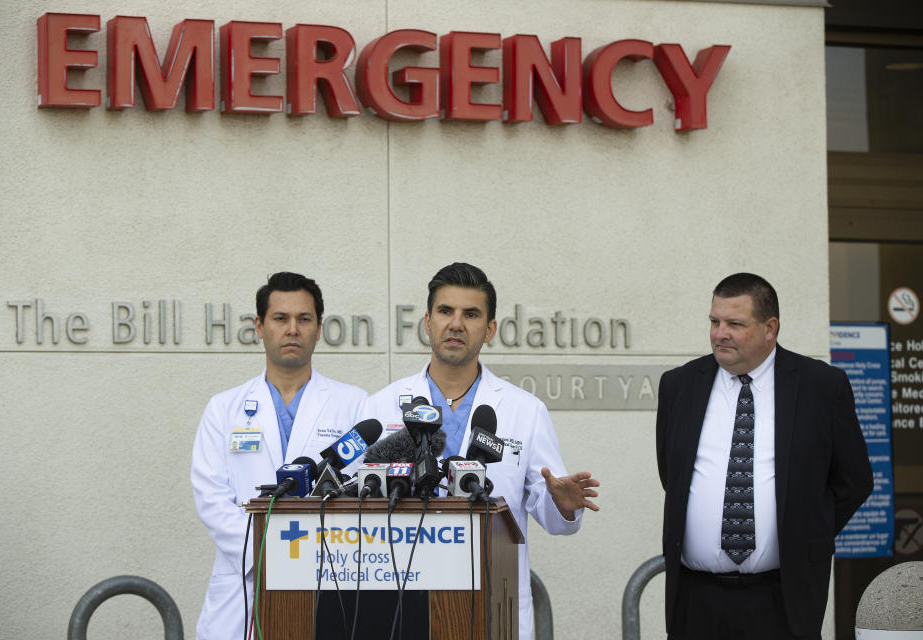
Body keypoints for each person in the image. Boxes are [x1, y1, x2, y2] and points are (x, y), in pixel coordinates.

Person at [357, 262, 600, 640]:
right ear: (427, 322)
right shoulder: (382, 406)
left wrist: (563, 503)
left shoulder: (524, 410)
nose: (456, 324)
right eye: (445, 311)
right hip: (402, 600)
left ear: (489, 330)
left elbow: (551, 516)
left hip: (491, 604)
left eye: (471, 314)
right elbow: (359, 502)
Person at [656, 272, 873, 640]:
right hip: (696, 600)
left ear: (769, 328)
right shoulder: (680, 385)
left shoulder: (821, 386)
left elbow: (854, 482)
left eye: (735, 324)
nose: (719, 333)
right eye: (714, 321)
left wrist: (802, 536)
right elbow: (672, 476)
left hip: (782, 598)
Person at [191, 272, 367, 640]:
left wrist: (302, 554)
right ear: (259, 325)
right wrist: (275, 550)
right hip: (243, 586)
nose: (292, 329)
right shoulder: (223, 409)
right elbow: (211, 498)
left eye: (304, 319)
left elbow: (363, 495)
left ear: (319, 328)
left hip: (328, 576)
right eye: (280, 319)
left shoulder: (354, 405)